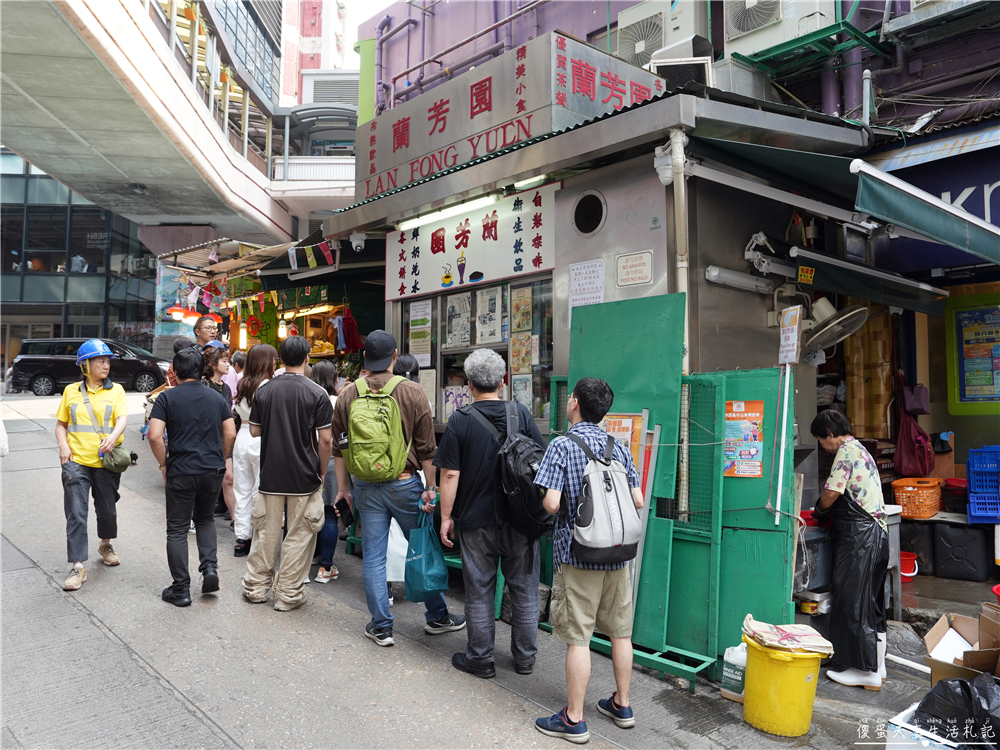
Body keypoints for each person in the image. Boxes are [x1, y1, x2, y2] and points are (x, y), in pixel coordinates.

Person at [332, 330, 465, 647]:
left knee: (374, 558)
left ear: (365, 358)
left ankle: (381, 625)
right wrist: (431, 487)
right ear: (394, 357)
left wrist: (343, 490)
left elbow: (340, 449)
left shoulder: (348, 395)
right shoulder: (412, 392)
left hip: (365, 486)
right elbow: (428, 451)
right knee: (421, 548)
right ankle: (437, 617)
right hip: (405, 484)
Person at [533, 378, 644, 744]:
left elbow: (551, 504)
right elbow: (638, 500)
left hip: (578, 553)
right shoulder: (619, 446)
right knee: (620, 631)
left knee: (579, 638)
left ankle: (574, 719)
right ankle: (622, 705)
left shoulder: (562, 445)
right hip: (618, 555)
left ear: (574, 403)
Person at [436, 348, 544, 678]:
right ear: (503, 380)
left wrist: (446, 517)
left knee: (479, 590)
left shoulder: (459, 419)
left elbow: (450, 474)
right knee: (524, 589)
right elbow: (540, 462)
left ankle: (481, 660)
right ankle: (525, 659)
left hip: (475, 521)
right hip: (520, 518)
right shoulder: (521, 414)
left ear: (469, 384)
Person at [242, 336, 333, 611]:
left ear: (280, 360)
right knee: (299, 535)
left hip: (271, 474)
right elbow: (326, 440)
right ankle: (288, 595)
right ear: (307, 359)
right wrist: (321, 471)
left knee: (266, 535)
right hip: (304, 476)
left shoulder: (265, 391)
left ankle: (256, 588)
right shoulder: (318, 393)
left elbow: (255, 430)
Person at [147, 348, 236, 607]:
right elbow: (229, 433)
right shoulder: (216, 397)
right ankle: (209, 569)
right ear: (201, 369)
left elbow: (154, 436)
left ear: (176, 370)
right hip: (212, 470)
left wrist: (164, 462)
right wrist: (220, 456)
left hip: (181, 470)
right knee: (205, 518)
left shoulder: (166, 398)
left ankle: (181, 589)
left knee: (177, 528)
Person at [811, 410, 889, 690]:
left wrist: (819, 510)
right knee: (873, 605)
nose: (823, 446)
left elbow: (832, 492)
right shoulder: (862, 450)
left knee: (854, 603)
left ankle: (862, 670)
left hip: (860, 540)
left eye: (821, 440)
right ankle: (877, 668)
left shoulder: (845, 452)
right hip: (878, 536)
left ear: (830, 434)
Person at [54, 340, 128, 591]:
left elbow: (122, 418)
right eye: (101, 361)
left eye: (108, 361)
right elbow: (61, 424)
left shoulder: (116, 390)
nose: (106, 365)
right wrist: (64, 447)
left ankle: (105, 544)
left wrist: (113, 435)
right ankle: (78, 565)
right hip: (76, 462)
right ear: (86, 365)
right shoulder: (71, 391)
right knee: (76, 513)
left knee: (107, 509)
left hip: (105, 461)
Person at [232, 344, 277, 557]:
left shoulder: (243, 382)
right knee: (260, 490)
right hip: (261, 437)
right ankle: (259, 535)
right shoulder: (269, 386)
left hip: (242, 436)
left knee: (242, 489)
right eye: (274, 359)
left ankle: (242, 538)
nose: (276, 363)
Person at [310, 359, 342, 583]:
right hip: (331, 461)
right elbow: (331, 438)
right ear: (334, 379)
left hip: (307, 459)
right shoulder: (337, 401)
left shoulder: (308, 397)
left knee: (311, 510)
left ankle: (314, 556)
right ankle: (326, 567)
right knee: (329, 513)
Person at [203, 343, 236, 520]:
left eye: (228, 361)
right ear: (214, 364)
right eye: (224, 361)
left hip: (224, 438)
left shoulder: (227, 388)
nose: (228, 364)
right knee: (208, 480)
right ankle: (201, 515)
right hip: (208, 438)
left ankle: (235, 519)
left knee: (228, 478)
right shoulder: (204, 384)